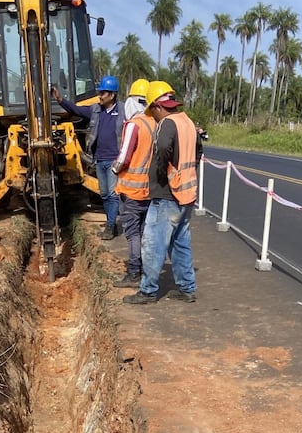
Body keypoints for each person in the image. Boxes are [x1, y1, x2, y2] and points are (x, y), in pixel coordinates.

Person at [123, 80, 202, 305]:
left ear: (158, 106)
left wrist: (161, 174)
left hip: (168, 195)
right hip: (186, 193)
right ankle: (187, 288)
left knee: (153, 243)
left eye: (152, 111)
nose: (153, 116)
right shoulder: (187, 121)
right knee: (180, 242)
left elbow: (163, 150)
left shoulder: (167, 123)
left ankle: (147, 291)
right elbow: (198, 152)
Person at [52, 75, 125, 239]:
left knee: (113, 195)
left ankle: (110, 226)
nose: (100, 96)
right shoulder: (95, 110)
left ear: (112, 95)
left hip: (114, 160)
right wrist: (60, 100)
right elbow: (76, 109)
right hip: (99, 159)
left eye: (103, 93)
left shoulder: (123, 111)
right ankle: (110, 223)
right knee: (105, 194)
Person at [111, 79, 154, 288]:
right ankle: (146, 269)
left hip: (131, 191)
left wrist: (114, 169)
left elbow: (124, 157)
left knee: (133, 233)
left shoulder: (134, 125)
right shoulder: (156, 124)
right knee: (145, 233)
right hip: (150, 191)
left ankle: (134, 272)